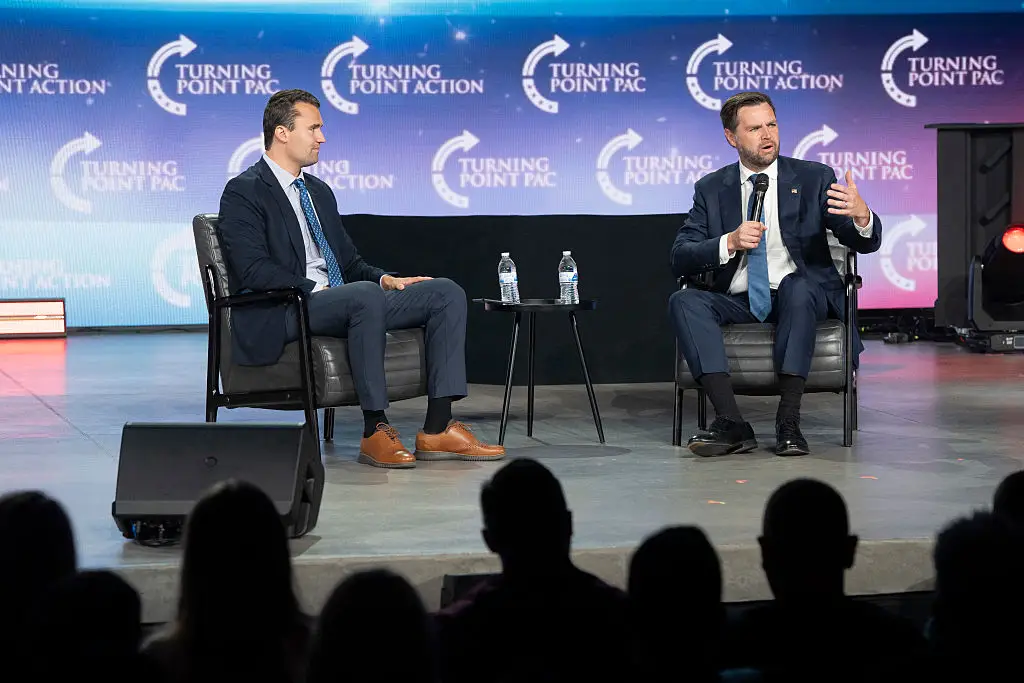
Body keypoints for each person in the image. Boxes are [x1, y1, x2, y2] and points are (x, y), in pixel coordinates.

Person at [218, 89, 504, 468]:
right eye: (314, 128)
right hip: (285, 305)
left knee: (444, 293)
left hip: (344, 300)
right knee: (363, 296)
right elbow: (253, 269)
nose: (323, 137)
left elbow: (349, 263)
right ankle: (375, 430)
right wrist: (320, 288)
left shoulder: (318, 192)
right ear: (282, 133)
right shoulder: (245, 190)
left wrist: (386, 280)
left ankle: (437, 428)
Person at [669, 91, 882, 456]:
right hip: (739, 299)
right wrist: (730, 242)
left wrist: (861, 216)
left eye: (772, 124)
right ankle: (732, 422)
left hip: (803, 297)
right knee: (684, 300)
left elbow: (861, 241)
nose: (767, 135)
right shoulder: (710, 188)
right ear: (731, 137)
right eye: (754, 128)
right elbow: (681, 256)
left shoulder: (814, 177)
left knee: (796, 286)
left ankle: (789, 421)